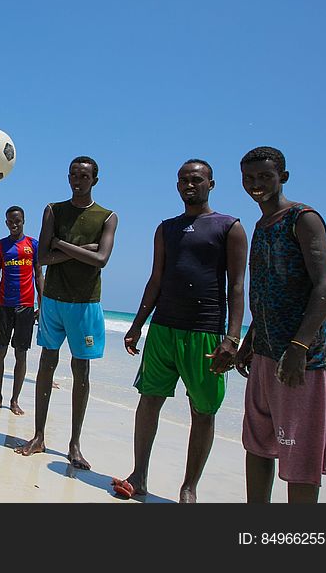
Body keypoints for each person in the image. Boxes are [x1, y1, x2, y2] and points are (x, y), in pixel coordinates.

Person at [112, 159, 246, 502]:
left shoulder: (229, 227)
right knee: (149, 399)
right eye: (184, 180)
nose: (190, 185)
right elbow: (156, 278)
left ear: (211, 184)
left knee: (203, 411)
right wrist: (137, 325)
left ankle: (189, 488)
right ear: (177, 185)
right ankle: (139, 475)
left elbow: (237, 287)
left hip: (206, 332)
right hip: (163, 328)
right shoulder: (167, 228)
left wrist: (232, 338)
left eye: (197, 179)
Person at [234, 146, 326, 503]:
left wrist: (299, 347)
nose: (256, 185)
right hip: (267, 351)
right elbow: (268, 290)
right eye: (249, 178)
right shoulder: (260, 224)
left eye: (265, 177)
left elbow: (325, 285)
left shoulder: (303, 218)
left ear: (283, 176)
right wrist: (250, 340)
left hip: (305, 357)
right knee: (259, 442)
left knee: (299, 454)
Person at [15, 156, 117, 470]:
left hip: (86, 302)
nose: (78, 180)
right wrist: (84, 249)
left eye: (84, 176)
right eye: (73, 174)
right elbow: (42, 259)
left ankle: (74, 444)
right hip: (54, 301)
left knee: (81, 372)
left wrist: (64, 245)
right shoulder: (53, 210)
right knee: (46, 363)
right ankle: (39, 435)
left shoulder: (107, 216)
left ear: (94, 180)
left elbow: (101, 260)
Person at [0, 205, 42, 415]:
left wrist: (41, 303)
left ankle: (14, 400)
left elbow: (38, 275)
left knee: (21, 354)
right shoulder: (1, 246)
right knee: (0, 352)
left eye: (17, 220)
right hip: (3, 306)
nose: (14, 224)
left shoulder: (33, 245)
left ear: (23, 220)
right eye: (10, 221)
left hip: (26, 307)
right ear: (6, 222)